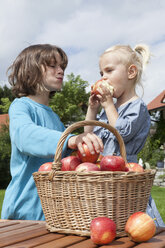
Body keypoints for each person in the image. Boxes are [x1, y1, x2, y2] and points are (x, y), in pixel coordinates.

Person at [1, 44, 103, 221]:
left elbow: (69, 155)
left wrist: (92, 111)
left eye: (62, 66)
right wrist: (71, 140)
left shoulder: (54, 117)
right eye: (53, 65)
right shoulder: (21, 106)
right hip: (24, 211)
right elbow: (25, 136)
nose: (60, 71)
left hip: (52, 212)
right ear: (30, 70)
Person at [85, 44, 165, 227]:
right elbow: (87, 136)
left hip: (125, 177)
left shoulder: (137, 107)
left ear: (131, 73)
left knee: (132, 222)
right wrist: (93, 109)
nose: (103, 77)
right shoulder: (107, 109)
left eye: (109, 70)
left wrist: (107, 106)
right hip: (103, 176)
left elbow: (122, 133)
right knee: (106, 221)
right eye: (101, 73)